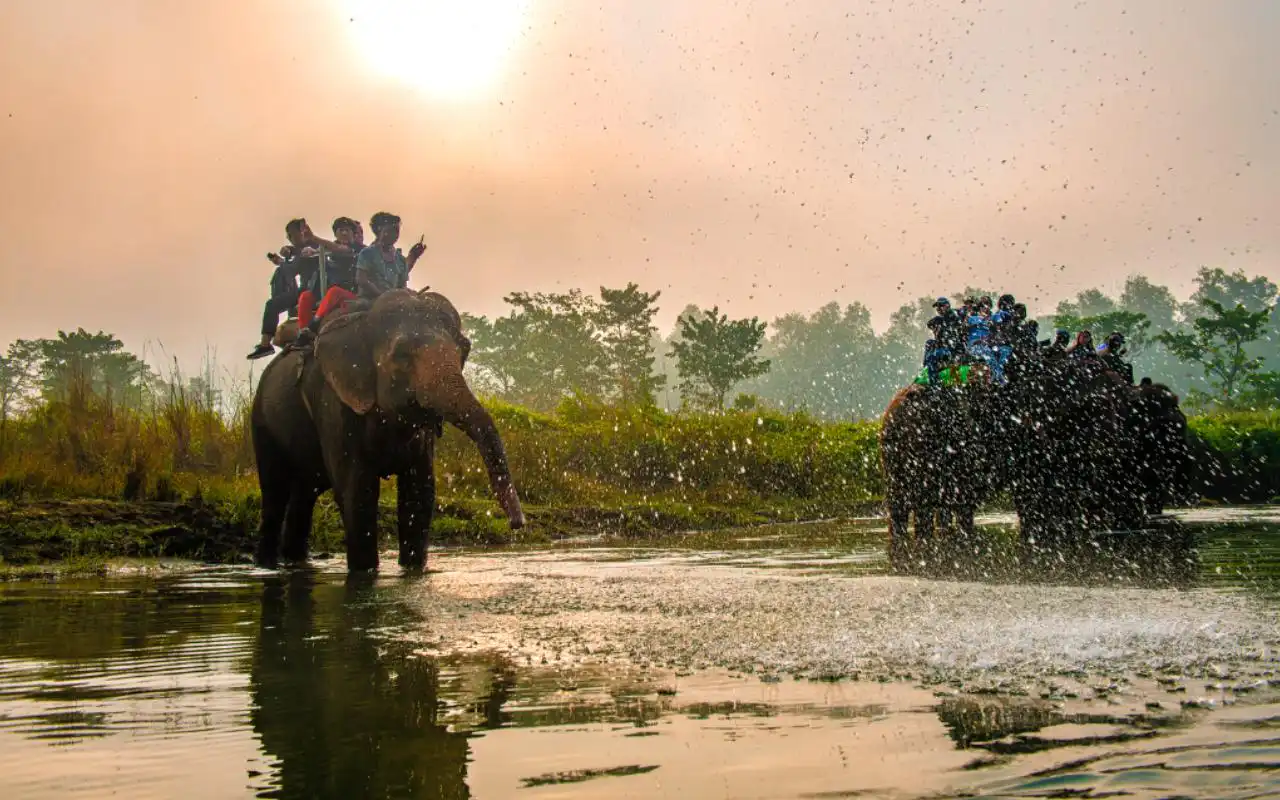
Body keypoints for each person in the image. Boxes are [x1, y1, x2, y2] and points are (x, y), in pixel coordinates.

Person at [247, 220, 312, 359]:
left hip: (309, 290)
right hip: (306, 288)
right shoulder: (303, 249)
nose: (291, 238)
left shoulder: (310, 249)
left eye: (292, 235)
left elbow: (292, 270)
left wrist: (281, 262)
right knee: (279, 276)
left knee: (272, 304)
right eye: (289, 236)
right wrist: (289, 253)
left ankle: (265, 344)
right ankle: (266, 343)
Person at [297, 216, 362, 331]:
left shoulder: (358, 249)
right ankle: (303, 331)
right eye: (341, 230)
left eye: (347, 230)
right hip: (330, 291)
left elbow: (340, 249)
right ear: (335, 234)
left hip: (353, 293)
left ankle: (314, 325)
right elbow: (329, 248)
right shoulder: (329, 249)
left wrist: (313, 238)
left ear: (353, 234)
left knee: (335, 292)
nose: (344, 233)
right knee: (305, 296)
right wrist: (312, 251)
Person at [356, 211, 427, 299]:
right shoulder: (367, 253)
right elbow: (362, 280)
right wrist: (382, 296)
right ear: (379, 231)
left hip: (393, 301)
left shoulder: (400, 259)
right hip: (369, 300)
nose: (394, 234)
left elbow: (402, 286)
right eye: (389, 230)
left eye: (396, 231)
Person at [924, 297, 964, 385]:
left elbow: (960, 313)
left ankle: (934, 384)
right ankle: (925, 368)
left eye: (940, 306)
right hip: (945, 347)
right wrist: (936, 327)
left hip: (953, 349)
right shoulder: (940, 319)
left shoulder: (952, 315)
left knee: (933, 356)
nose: (938, 309)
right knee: (929, 343)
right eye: (937, 307)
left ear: (947, 306)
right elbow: (929, 324)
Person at [966, 296, 1003, 383]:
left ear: (990, 306)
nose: (985, 308)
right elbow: (964, 330)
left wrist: (990, 338)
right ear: (979, 307)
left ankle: (997, 379)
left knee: (994, 357)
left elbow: (998, 332)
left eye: (987, 305)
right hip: (974, 344)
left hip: (988, 344)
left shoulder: (994, 318)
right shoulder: (972, 318)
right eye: (982, 306)